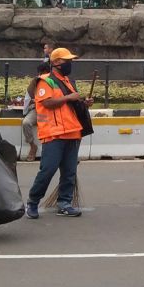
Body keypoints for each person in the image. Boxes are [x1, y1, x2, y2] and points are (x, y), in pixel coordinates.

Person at [25, 47, 90, 218]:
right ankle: (32, 202)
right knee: (48, 170)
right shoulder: (45, 81)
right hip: (53, 134)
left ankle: (65, 203)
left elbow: (71, 105)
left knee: (69, 172)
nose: (69, 63)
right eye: (66, 60)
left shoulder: (68, 81)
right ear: (55, 63)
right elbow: (47, 103)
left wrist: (83, 103)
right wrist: (69, 98)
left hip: (72, 132)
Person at [21, 62, 50, 162]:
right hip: (37, 110)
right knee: (26, 123)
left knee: (47, 125)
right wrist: (26, 111)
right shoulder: (35, 81)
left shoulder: (53, 81)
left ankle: (48, 151)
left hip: (49, 111)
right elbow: (28, 97)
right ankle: (32, 146)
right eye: (40, 73)